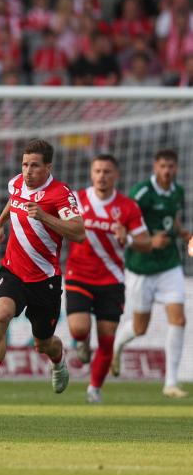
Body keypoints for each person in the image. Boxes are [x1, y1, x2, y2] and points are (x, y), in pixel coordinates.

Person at [0, 139, 85, 406]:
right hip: (13, 271)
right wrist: (0, 223)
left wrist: (44, 217)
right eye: (24, 164)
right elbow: (14, 201)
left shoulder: (61, 194)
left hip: (45, 280)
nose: (27, 171)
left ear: (48, 167)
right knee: (2, 315)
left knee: (43, 343)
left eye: (34, 166)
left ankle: (58, 360)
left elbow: (79, 232)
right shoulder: (17, 183)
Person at [65, 155, 151, 404]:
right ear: (91, 174)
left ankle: (94, 389)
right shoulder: (77, 200)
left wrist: (129, 237)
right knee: (79, 328)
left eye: (107, 172)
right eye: (98, 171)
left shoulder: (127, 207)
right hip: (78, 274)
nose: (102, 176)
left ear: (117, 176)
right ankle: (81, 342)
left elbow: (146, 243)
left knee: (107, 338)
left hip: (111, 279)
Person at [113, 149, 192, 398]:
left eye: (171, 166)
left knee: (179, 320)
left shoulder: (177, 191)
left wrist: (183, 233)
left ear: (176, 168)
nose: (167, 170)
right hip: (141, 268)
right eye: (163, 166)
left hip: (169, 265)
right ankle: (117, 345)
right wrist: (147, 242)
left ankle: (170, 383)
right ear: (154, 167)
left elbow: (171, 219)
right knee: (140, 328)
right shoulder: (141, 192)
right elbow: (122, 228)